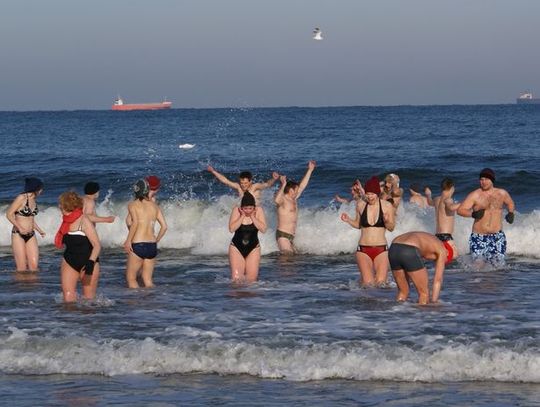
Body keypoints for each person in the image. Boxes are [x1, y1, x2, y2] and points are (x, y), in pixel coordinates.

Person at [341, 176, 395, 286]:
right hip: (363, 250)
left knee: (381, 283)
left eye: (372, 194)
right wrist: (348, 220)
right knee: (368, 283)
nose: (370, 197)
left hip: (381, 250)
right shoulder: (360, 205)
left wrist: (386, 221)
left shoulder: (387, 206)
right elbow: (358, 225)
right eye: (368, 194)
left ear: (377, 193)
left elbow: (391, 228)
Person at [457, 168, 515, 266]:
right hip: (478, 237)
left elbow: (510, 203)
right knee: (478, 266)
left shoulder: (502, 193)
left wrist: (511, 213)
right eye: (481, 179)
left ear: (492, 180)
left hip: (497, 237)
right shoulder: (475, 195)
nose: (483, 182)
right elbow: (460, 210)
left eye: (486, 179)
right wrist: (473, 214)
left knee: (498, 266)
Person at [56, 191, 101, 302]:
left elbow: (97, 245)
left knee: (88, 300)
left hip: (88, 262)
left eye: (61, 205)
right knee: (68, 299)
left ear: (67, 206)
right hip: (69, 261)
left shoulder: (84, 220)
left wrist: (91, 263)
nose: (59, 207)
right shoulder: (65, 221)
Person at [388, 231, 457, 304]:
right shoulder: (443, 250)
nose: (435, 261)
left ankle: (397, 310)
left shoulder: (432, 240)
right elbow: (438, 280)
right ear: (447, 253)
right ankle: (422, 311)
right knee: (424, 294)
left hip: (394, 248)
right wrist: (434, 302)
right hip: (410, 249)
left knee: (403, 292)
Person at [123, 179, 168, 288]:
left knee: (131, 279)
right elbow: (164, 227)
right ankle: (153, 297)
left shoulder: (132, 205)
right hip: (152, 245)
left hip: (138, 244)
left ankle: (135, 299)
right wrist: (156, 240)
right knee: (148, 280)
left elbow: (133, 222)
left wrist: (128, 241)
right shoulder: (155, 206)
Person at [274, 160, 316, 254]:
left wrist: (310, 170)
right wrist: (283, 185)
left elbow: (302, 186)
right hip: (283, 235)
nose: (298, 191)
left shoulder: (294, 199)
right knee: (287, 257)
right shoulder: (283, 200)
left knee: (295, 258)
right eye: (296, 190)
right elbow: (276, 200)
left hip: (291, 236)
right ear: (290, 190)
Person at [5, 178, 46, 271]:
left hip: (31, 234)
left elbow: (30, 219)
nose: (42, 190)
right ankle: (20, 281)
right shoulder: (21, 198)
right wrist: (20, 228)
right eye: (40, 188)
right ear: (36, 188)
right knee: (22, 268)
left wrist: (40, 230)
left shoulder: (33, 199)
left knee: (34, 267)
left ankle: (33, 281)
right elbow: (9, 214)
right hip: (18, 234)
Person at [228, 192, 267, 283]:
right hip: (236, 248)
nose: (248, 211)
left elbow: (263, 229)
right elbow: (231, 229)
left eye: (250, 208)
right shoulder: (236, 210)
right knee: (236, 280)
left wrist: (253, 217)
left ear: (254, 207)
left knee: (251, 280)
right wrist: (242, 216)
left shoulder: (259, 210)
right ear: (241, 207)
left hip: (254, 248)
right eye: (245, 208)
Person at [207, 165, 279, 203]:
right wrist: (213, 171)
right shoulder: (238, 187)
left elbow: (267, 185)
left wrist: (273, 179)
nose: (243, 185)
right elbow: (225, 181)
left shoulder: (255, 187)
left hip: (255, 211)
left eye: (245, 183)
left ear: (250, 182)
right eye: (241, 183)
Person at [426, 178, 461, 247]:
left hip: (437, 236)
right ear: (452, 188)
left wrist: (428, 195)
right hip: (446, 237)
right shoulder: (448, 200)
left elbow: (429, 202)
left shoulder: (436, 199)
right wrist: (465, 202)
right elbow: (451, 207)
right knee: (453, 254)